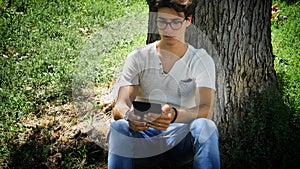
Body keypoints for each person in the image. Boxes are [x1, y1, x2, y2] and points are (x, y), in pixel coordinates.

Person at [107, 0, 220, 168]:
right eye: (162, 22)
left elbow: (206, 110)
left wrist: (174, 115)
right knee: (118, 127)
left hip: (179, 140)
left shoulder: (200, 60)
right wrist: (128, 116)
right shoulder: (138, 57)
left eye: (175, 22)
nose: (168, 29)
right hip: (143, 137)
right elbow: (120, 105)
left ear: (188, 21)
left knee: (205, 126)